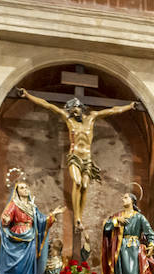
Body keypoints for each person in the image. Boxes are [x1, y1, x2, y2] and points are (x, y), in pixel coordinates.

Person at [15, 88, 138, 231]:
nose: (74, 112)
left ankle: (80, 216)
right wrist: (28, 95)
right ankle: (77, 218)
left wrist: (129, 106)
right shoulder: (69, 121)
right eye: (72, 110)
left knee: (85, 185)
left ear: (81, 108)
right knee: (78, 182)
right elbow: (47, 105)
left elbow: (112, 110)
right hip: (74, 156)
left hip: (87, 158)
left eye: (76, 109)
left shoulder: (92, 117)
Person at [0, 174, 63, 274]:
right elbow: (5, 218)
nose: (25, 190)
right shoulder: (14, 204)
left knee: (28, 272)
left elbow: (41, 222)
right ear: (17, 191)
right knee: (15, 270)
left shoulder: (32, 207)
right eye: (21, 188)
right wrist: (6, 220)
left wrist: (52, 215)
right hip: (16, 240)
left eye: (26, 187)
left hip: (30, 241)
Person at [101, 187, 154, 274]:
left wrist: (151, 245)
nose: (123, 199)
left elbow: (150, 233)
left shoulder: (139, 217)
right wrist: (116, 221)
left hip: (133, 249)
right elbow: (106, 227)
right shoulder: (118, 216)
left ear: (132, 201)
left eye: (126, 198)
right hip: (118, 250)